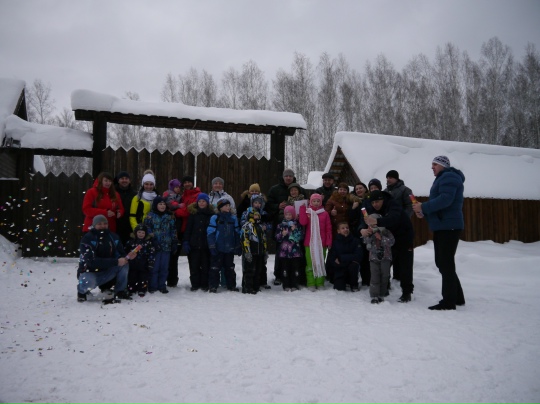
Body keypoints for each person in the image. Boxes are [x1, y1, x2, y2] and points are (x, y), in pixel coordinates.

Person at [412, 155, 466, 311]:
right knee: (443, 262)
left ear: (443, 165)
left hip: (448, 227)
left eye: (435, 164)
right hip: (444, 226)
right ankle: (457, 297)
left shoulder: (449, 177)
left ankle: (449, 301)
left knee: (445, 263)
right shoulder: (444, 178)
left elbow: (445, 200)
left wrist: (423, 207)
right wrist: (424, 212)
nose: (432, 167)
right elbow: (441, 204)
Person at [362, 190, 414, 303]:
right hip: (388, 240)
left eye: (377, 201)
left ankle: (407, 292)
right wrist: (362, 229)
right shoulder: (374, 209)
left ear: (383, 199)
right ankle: (383, 290)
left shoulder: (393, 204)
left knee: (405, 266)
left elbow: (393, 219)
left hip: (404, 238)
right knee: (384, 266)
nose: (375, 204)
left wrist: (377, 221)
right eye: (373, 203)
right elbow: (366, 220)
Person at [77, 215, 132, 302]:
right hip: (90, 271)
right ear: (94, 225)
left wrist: (127, 257)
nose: (103, 226)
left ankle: (120, 291)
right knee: (88, 282)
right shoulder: (87, 238)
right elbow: (91, 261)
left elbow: (120, 254)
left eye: (105, 223)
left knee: (124, 264)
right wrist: (116, 261)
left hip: (107, 271)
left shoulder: (113, 237)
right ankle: (82, 292)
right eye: (99, 224)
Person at [267, 168, 306, 285]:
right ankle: (279, 275)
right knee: (281, 252)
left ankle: (299, 276)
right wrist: (277, 206)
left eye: (290, 176)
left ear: (293, 177)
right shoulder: (274, 189)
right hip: (281, 227)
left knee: (298, 253)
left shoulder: (301, 190)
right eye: (286, 176)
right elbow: (268, 205)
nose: (288, 178)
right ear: (283, 177)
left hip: (297, 228)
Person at [168, 175, 200, 287]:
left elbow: (189, 211)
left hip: (191, 230)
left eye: (189, 182)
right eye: (185, 182)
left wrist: (176, 212)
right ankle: (172, 281)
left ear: (192, 183)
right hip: (180, 229)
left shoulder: (197, 195)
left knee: (193, 257)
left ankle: (195, 282)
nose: (187, 184)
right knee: (174, 255)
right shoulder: (181, 196)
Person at [143, 196, 178, 294]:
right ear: (155, 205)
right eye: (160, 204)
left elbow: (173, 229)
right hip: (155, 246)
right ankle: (153, 285)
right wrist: (152, 239)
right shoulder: (150, 216)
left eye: (164, 204)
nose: (162, 206)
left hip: (166, 245)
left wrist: (174, 241)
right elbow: (147, 228)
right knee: (155, 267)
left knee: (164, 267)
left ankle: (162, 285)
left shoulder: (169, 216)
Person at [207, 198, 242, 293]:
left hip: (229, 248)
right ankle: (213, 286)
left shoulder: (233, 218)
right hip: (218, 247)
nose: (228, 207)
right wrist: (212, 245)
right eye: (226, 206)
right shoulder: (215, 218)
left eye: (229, 205)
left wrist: (238, 245)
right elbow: (210, 232)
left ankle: (231, 285)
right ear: (220, 207)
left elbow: (237, 232)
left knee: (230, 267)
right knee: (215, 268)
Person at [299, 193, 332, 291]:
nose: (316, 203)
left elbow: (328, 228)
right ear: (311, 202)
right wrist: (302, 210)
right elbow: (303, 222)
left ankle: (320, 283)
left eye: (318, 201)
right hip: (309, 243)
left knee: (320, 262)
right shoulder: (308, 212)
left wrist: (329, 241)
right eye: (314, 201)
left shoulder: (325, 213)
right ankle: (311, 283)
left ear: (321, 202)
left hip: (321, 243)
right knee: (310, 264)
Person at [182, 193, 214, 292]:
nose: (201, 203)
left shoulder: (211, 215)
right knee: (194, 266)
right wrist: (186, 241)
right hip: (194, 245)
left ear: (207, 203)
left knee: (205, 266)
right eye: (200, 201)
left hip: (206, 245)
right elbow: (188, 229)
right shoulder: (193, 214)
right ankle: (195, 284)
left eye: (203, 201)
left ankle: (204, 284)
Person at [362, 214, 395, 304]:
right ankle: (374, 295)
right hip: (373, 258)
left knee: (384, 276)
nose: (373, 226)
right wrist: (368, 236)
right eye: (371, 224)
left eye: (374, 223)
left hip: (386, 257)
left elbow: (392, 241)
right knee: (374, 276)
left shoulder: (386, 231)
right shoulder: (369, 232)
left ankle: (382, 294)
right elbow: (366, 243)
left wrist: (381, 238)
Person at [326, 222, 362, 292]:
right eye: (343, 228)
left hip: (351, 267)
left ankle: (354, 285)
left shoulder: (355, 241)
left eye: (347, 228)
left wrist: (341, 258)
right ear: (338, 231)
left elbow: (358, 256)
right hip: (340, 268)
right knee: (339, 288)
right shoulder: (335, 243)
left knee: (354, 264)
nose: (345, 229)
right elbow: (332, 257)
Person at [275, 206, 304, 291]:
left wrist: (294, 230)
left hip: (295, 252)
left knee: (295, 269)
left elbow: (300, 237)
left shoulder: (297, 225)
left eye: (290, 214)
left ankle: (294, 284)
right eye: (286, 214)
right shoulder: (280, 225)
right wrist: (282, 234)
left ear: (293, 215)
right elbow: (277, 238)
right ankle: (286, 285)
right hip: (284, 252)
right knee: (285, 269)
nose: (288, 216)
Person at [348, 181, 371, 287]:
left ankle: (368, 279)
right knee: (359, 256)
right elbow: (349, 218)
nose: (358, 190)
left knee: (368, 256)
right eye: (356, 189)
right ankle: (358, 279)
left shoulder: (370, 199)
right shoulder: (353, 201)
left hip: (369, 231)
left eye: (360, 188)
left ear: (365, 189)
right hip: (356, 232)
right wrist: (353, 208)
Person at [240, 209, 268, 294]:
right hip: (250, 252)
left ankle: (256, 286)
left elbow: (264, 239)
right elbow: (244, 239)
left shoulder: (260, 226)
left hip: (259, 252)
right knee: (249, 270)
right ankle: (247, 287)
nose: (257, 216)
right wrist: (247, 251)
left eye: (258, 215)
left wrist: (265, 251)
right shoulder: (247, 226)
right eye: (255, 215)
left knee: (258, 270)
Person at [125, 223, 156, 297]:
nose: (141, 234)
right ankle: (131, 288)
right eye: (139, 232)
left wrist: (151, 262)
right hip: (132, 264)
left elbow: (151, 253)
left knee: (143, 278)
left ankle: (142, 289)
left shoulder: (148, 243)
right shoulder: (130, 242)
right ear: (135, 233)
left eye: (143, 233)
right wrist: (127, 258)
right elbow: (125, 251)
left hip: (144, 265)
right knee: (132, 277)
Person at [163, 178, 183, 288]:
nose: (178, 189)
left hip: (176, 225)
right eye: (176, 187)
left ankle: (172, 279)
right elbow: (170, 204)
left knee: (174, 256)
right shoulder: (168, 194)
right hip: (169, 224)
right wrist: (179, 206)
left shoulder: (179, 196)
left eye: (179, 187)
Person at [114, 171, 137, 245]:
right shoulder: (113, 192)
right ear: (118, 180)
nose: (124, 180)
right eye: (122, 178)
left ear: (129, 181)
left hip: (129, 226)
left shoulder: (135, 194)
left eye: (126, 178)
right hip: (116, 225)